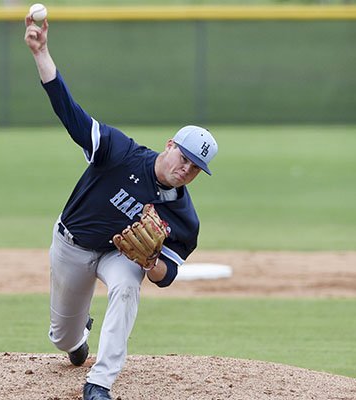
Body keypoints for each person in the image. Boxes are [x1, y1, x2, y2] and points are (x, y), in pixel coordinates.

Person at [24, 13, 218, 400]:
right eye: (184, 157)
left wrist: (149, 261)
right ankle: (78, 338)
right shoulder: (119, 152)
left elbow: (166, 276)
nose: (186, 168)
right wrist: (41, 53)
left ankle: (100, 383)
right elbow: (70, 113)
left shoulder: (184, 218)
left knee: (129, 286)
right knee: (63, 337)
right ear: (169, 145)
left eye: (196, 167)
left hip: (118, 255)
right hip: (72, 246)